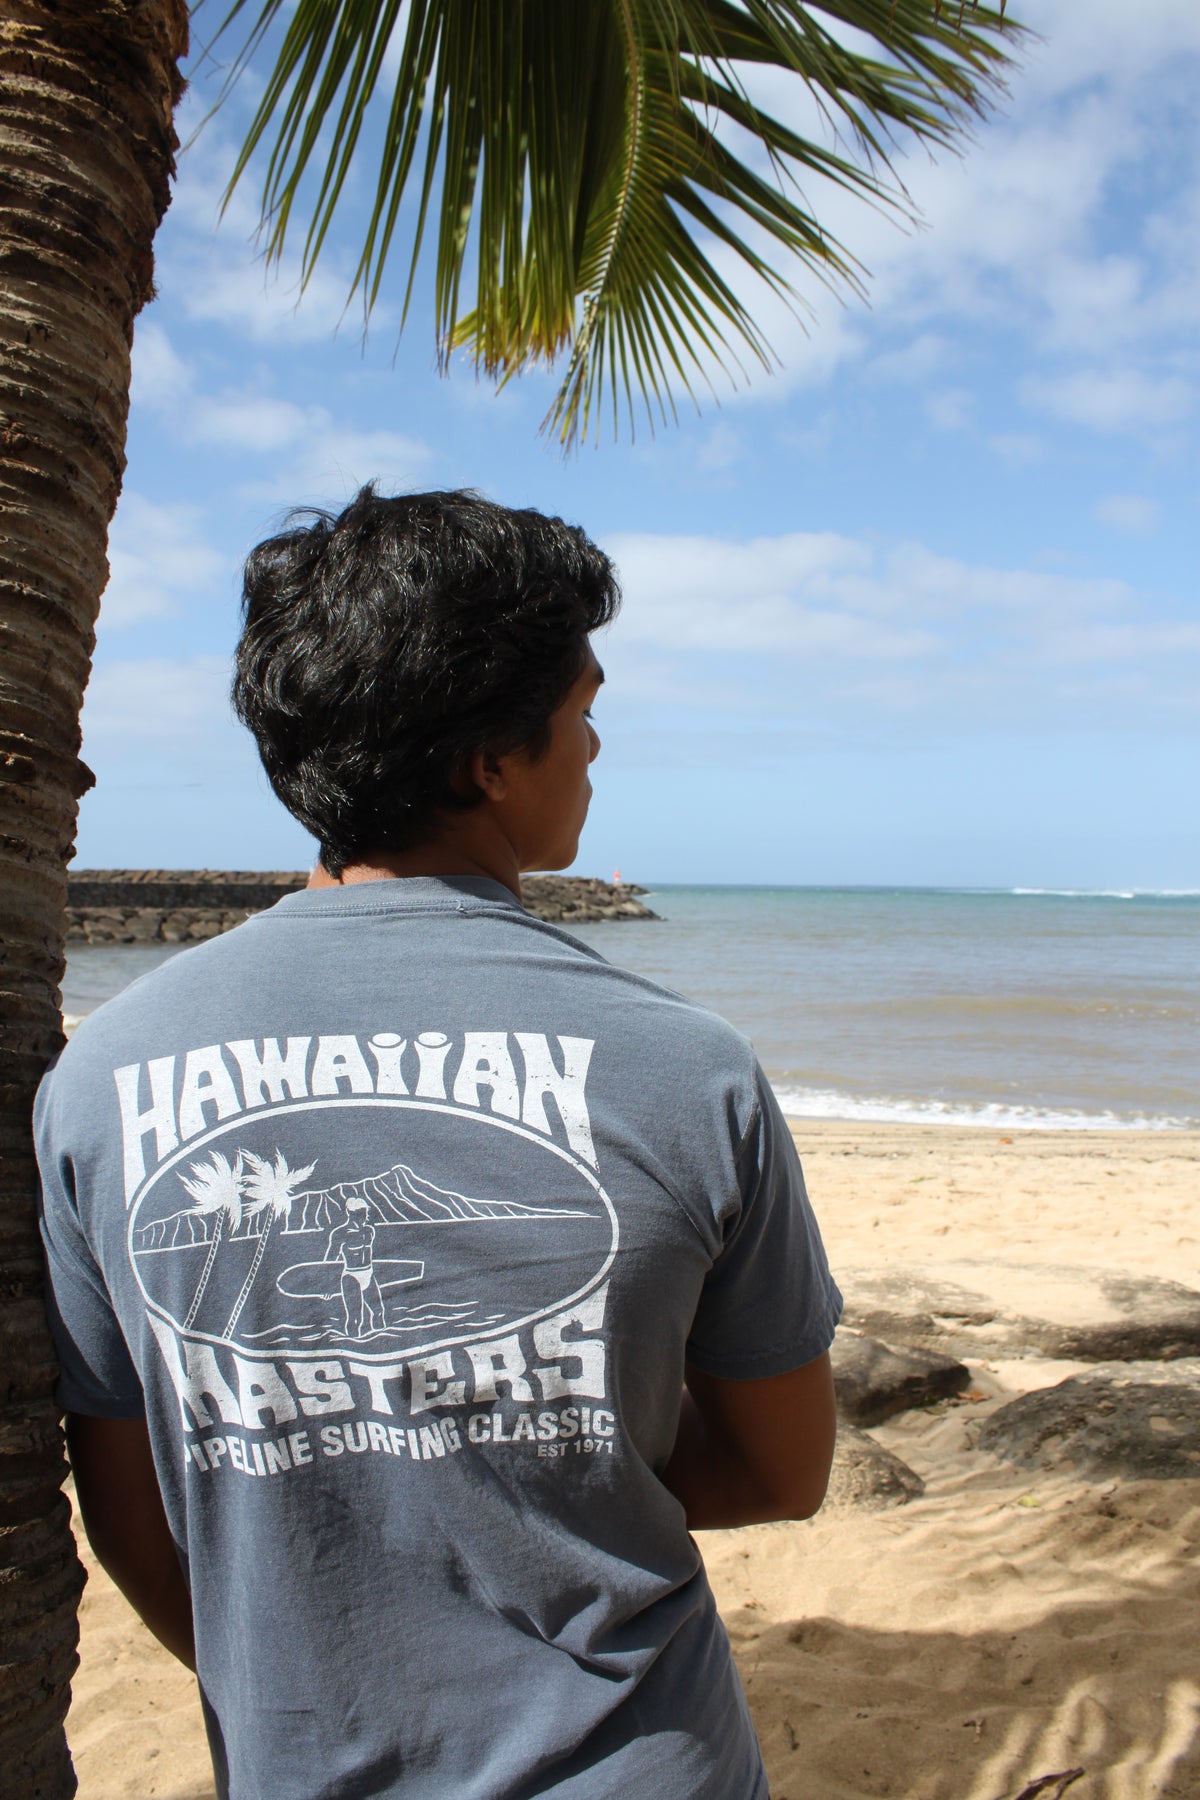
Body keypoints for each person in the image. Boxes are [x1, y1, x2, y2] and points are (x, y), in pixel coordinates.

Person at [36, 488, 841, 1800]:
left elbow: (135, 1502)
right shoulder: (687, 1070)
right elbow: (781, 1465)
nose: (596, 745)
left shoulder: (102, 1081)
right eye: (582, 709)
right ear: (490, 762)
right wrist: (545, 1442)